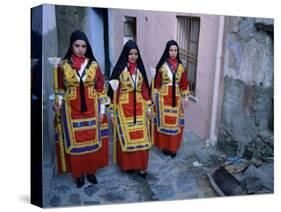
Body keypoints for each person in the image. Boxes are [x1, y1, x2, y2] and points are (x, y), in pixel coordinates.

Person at [53, 30, 109, 188]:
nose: (80, 49)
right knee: (76, 144)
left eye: (83, 46)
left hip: (91, 109)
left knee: (91, 142)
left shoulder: (93, 65)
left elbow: (100, 88)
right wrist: (57, 103)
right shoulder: (63, 65)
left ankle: (91, 172)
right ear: (71, 46)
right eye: (77, 45)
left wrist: (102, 111)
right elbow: (60, 89)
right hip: (71, 111)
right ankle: (78, 174)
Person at [108, 40, 153, 178]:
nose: (133, 56)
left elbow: (145, 89)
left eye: (136, 54)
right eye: (130, 54)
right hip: (123, 107)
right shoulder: (120, 70)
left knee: (143, 137)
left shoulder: (140, 71)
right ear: (126, 54)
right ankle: (129, 166)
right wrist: (112, 111)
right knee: (126, 138)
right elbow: (114, 91)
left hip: (139, 106)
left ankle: (142, 167)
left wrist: (149, 106)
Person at [152, 40, 189, 158]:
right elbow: (157, 83)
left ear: (177, 52)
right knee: (164, 124)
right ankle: (166, 147)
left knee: (174, 124)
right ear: (167, 51)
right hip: (163, 98)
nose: (173, 52)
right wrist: (154, 95)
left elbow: (184, 83)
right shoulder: (162, 66)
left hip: (176, 98)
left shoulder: (181, 67)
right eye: (171, 50)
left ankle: (173, 148)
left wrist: (186, 96)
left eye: (175, 50)